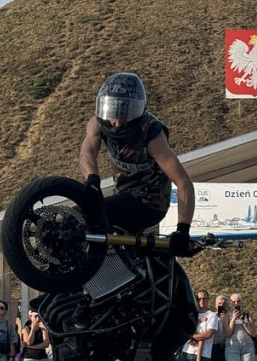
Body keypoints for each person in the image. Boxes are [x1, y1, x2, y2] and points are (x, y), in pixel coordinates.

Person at [79, 73, 194, 240]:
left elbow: (184, 183)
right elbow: (86, 152)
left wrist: (183, 229)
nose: (116, 123)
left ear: (137, 111)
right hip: (123, 195)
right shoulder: (97, 124)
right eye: (112, 112)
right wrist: (92, 179)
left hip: (150, 204)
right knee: (91, 217)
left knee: (88, 215)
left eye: (124, 114)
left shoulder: (152, 136)